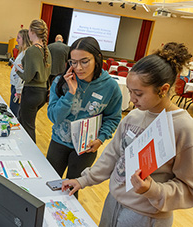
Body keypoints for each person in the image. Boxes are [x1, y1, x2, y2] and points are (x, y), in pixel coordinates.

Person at [62, 42, 193, 227]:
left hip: (146, 217)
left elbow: (188, 188)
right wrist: (84, 180)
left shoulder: (183, 127)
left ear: (163, 90)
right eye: (130, 91)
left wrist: (152, 189)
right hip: (113, 204)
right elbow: (113, 154)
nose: (131, 99)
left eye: (138, 93)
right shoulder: (134, 115)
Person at [46, 37, 122, 183]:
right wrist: (70, 94)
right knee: (49, 183)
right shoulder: (61, 82)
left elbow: (113, 117)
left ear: (98, 58)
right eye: (73, 62)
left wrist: (101, 139)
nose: (78, 68)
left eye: (84, 61)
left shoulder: (110, 87)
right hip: (59, 142)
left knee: (72, 188)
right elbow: (54, 117)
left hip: (85, 148)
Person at [16, 19, 51, 143]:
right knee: (27, 123)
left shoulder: (32, 50)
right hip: (42, 92)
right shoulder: (47, 51)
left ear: (31, 31)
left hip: (31, 92)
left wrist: (17, 70)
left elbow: (27, 77)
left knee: (27, 127)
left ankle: (30, 154)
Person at [9, 29, 31, 117]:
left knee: (15, 112)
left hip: (18, 88)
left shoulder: (26, 54)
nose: (17, 40)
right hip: (15, 85)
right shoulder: (22, 52)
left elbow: (23, 74)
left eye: (19, 38)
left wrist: (18, 90)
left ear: (25, 39)